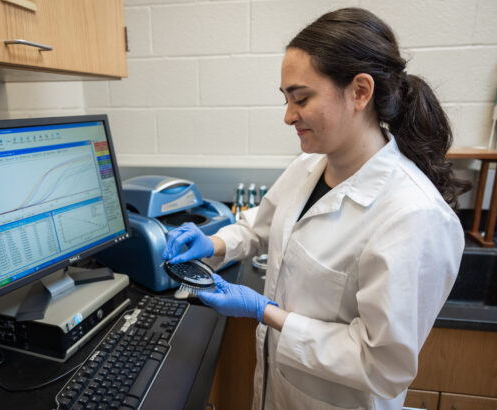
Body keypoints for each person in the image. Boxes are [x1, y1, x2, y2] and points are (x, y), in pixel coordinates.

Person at [163, 7, 470, 410]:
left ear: (360, 91)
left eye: (301, 98)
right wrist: (215, 242)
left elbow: (381, 365)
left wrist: (266, 312)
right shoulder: (310, 164)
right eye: (286, 98)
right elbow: (263, 225)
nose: (289, 116)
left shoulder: (414, 215)